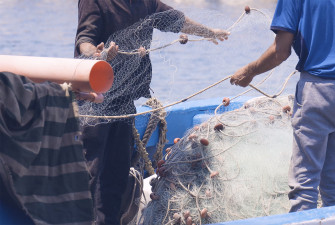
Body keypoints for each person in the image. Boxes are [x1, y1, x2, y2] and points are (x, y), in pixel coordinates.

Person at [74, 1, 229, 224]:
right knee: (92, 174)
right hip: (94, 102)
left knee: (117, 176)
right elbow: (85, 40)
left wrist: (208, 32)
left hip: (124, 103)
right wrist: (97, 55)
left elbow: (175, 19)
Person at [230, 0, 335, 212]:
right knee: (333, 177)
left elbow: (280, 51)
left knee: (304, 183)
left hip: (321, 90)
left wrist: (249, 71)